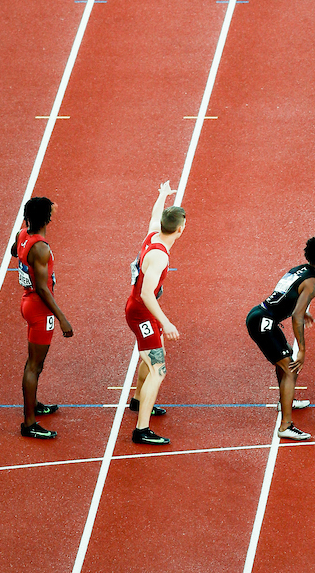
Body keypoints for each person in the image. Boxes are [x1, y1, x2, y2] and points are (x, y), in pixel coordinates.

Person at [246, 235, 315, 441]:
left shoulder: (299, 269)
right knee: (291, 368)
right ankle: (285, 426)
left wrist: (302, 311)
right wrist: (302, 349)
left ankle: (286, 401)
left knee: (284, 362)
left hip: (260, 314)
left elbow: (285, 295)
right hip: (265, 323)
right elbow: (296, 316)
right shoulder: (313, 283)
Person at [124, 181, 186, 446]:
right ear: (180, 229)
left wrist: (162, 195)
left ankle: (138, 400)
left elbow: (154, 215)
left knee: (153, 356)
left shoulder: (152, 235)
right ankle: (141, 430)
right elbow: (147, 294)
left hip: (140, 311)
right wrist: (166, 322)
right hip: (141, 314)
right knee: (158, 369)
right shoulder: (160, 257)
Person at [12, 197, 74, 439]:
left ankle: (33, 404)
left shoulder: (22, 234)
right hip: (40, 309)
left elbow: (14, 251)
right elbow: (42, 287)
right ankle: (29, 423)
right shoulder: (40, 247)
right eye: (50, 211)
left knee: (35, 362)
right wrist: (62, 318)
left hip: (27, 303)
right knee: (34, 365)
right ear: (45, 218)